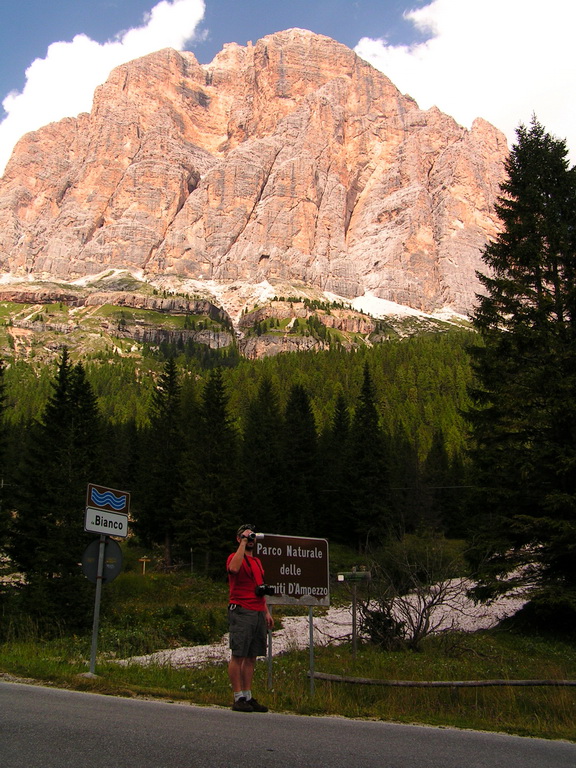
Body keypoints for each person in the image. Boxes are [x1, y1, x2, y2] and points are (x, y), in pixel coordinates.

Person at [226, 523, 274, 712]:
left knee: (252, 655)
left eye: (252, 538)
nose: (251, 541)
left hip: (257, 610)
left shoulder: (257, 562)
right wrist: (242, 541)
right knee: (238, 654)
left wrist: (266, 612)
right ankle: (238, 697)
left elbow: (260, 588)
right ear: (239, 539)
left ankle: (248, 695)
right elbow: (234, 569)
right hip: (241, 609)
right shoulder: (234, 557)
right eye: (247, 538)